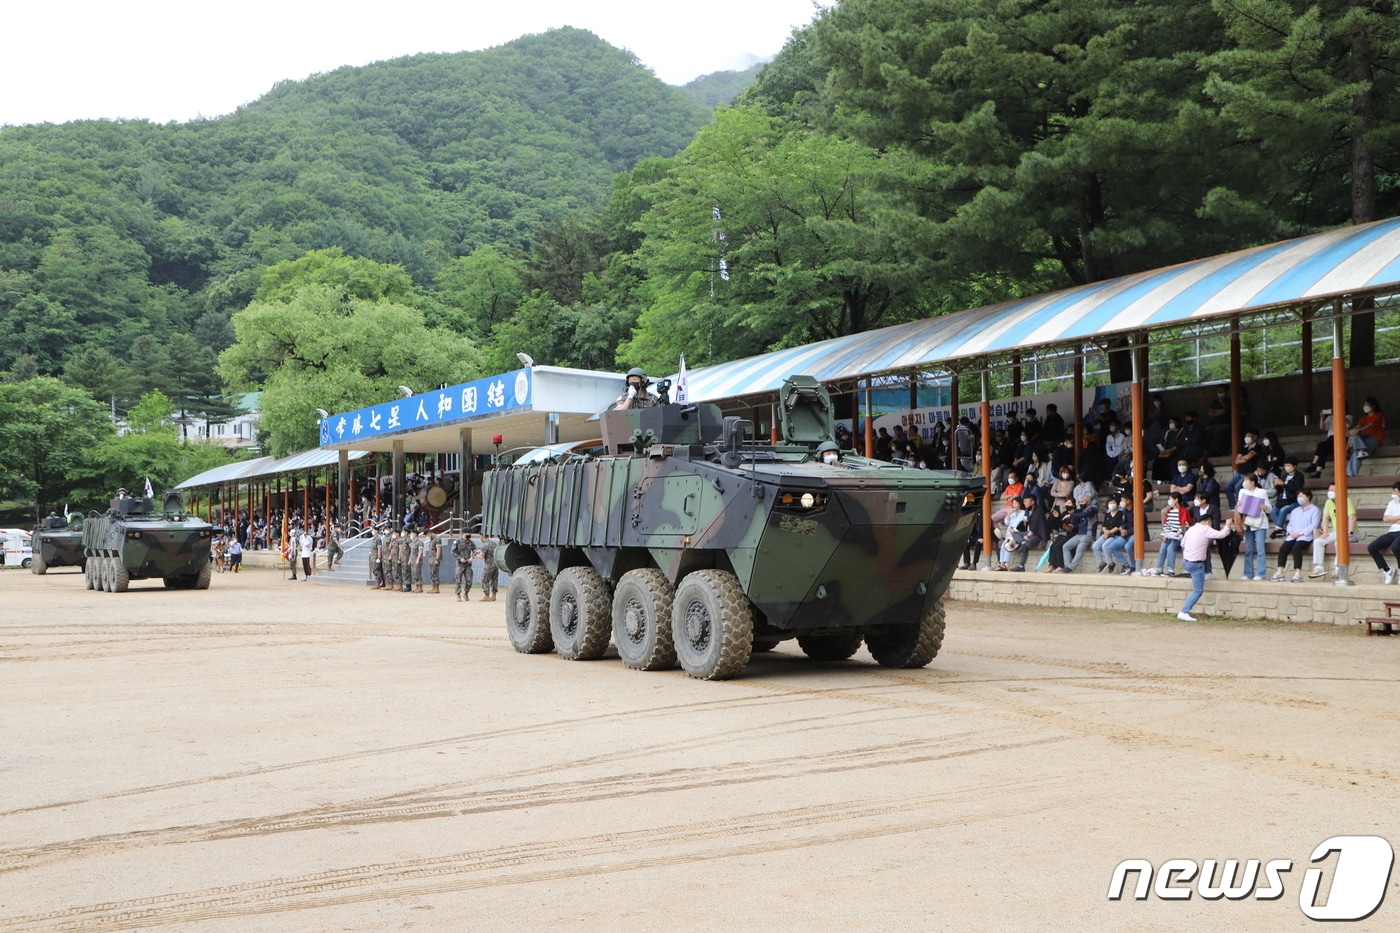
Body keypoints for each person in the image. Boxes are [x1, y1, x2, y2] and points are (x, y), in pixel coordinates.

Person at [1177, 509, 1236, 622]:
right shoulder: (1206, 529)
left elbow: (1182, 543)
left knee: (1198, 577)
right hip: (1196, 564)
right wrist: (1227, 525)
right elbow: (1221, 534)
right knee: (1198, 590)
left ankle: (1206, 574)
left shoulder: (1191, 529)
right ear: (1208, 521)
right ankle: (1184, 611)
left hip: (1186, 561)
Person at [1270, 488, 1320, 583]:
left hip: (1306, 536)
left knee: (1296, 548)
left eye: (1302, 496)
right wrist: (1291, 532)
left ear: (1308, 497)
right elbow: (1290, 524)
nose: (1299, 498)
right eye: (1298, 496)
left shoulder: (1315, 510)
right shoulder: (1295, 511)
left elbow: (1314, 524)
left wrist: (1301, 533)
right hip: (1293, 535)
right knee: (1283, 549)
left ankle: (1298, 573)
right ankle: (1280, 572)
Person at [1309, 482, 1357, 579]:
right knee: (1318, 541)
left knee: (1339, 542)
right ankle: (1319, 567)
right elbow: (1325, 518)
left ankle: (1338, 567)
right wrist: (1325, 532)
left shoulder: (1347, 500)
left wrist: (1350, 531)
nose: (1330, 492)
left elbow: (1352, 517)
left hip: (1351, 533)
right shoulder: (1328, 502)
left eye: (1332, 490)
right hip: (1337, 532)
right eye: (1329, 490)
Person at [1148, 492, 1193, 577]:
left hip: (1179, 536)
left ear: (1176, 500)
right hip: (1170, 535)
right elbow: (1166, 524)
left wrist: (1177, 534)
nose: (1169, 501)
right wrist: (1165, 534)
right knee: (1163, 546)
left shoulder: (1184, 511)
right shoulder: (1169, 511)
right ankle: (1159, 568)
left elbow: (1185, 525)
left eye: (1170, 499)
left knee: (1170, 548)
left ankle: (1170, 570)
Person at [1235, 472, 1270, 581]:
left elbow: (1269, 508)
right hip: (1247, 522)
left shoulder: (1262, 492)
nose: (1244, 482)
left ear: (1253, 482)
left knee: (1260, 549)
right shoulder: (1242, 491)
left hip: (1260, 523)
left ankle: (1261, 573)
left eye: (1247, 480)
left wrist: (1265, 507)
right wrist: (1238, 505)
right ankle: (1248, 573)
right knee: (1248, 549)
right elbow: (1239, 507)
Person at [1366, 482, 1400, 585]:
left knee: (1396, 547)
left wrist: (1393, 519)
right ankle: (1388, 570)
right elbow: (1385, 518)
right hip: (1392, 531)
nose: (1393, 493)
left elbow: (1389, 518)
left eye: (1395, 491)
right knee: (1372, 547)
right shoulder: (1392, 503)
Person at [1305, 408, 1352, 477]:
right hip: (1331, 439)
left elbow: (1348, 423)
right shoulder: (1330, 418)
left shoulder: (1348, 416)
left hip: (1342, 438)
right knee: (1322, 448)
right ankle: (1318, 471)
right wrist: (1322, 417)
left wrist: (1338, 413)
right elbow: (1322, 427)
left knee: (1322, 446)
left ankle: (1314, 465)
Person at [1346, 397, 1386, 476]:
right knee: (1354, 435)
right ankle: (1361, 450)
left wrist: (1358, 430)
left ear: (1373, 406)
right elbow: (1357, 427)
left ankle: (1350, 474)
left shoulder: (1378, 415)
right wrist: (1352, 432)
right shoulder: (1364, 418)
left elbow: (1369, 426)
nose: (1365, 406)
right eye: (1364, 405)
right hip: (1365, 439)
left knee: (1356, 453)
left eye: (1367, 405)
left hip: (1375, 439)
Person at [1270, 458, 1306, 536]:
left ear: (1294, 466)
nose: (1287, 467)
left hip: (1294, 500)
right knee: (1273, 510)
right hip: (1283, 500)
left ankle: (1278, 528)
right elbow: (1280, 490)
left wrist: (1284, 485)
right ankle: (1281, 528)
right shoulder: (1284, 476)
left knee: (1283, 510)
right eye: (1285, 465)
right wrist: (1277, 485)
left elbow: (1296, 490)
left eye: (1289, 465)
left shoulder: (1299, 476)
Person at [453, 534, 476, 600]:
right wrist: (460, 558)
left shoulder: (471, 542)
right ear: (463, 533)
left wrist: (472, 557)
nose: (469, 534)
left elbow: (475, 551)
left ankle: (466, 593)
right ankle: (458, 594)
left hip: (468, 564)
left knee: (469, 581)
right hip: (460, 564)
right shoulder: (457, 542)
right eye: (467, 533)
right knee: (458, 580)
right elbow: (453, 552)